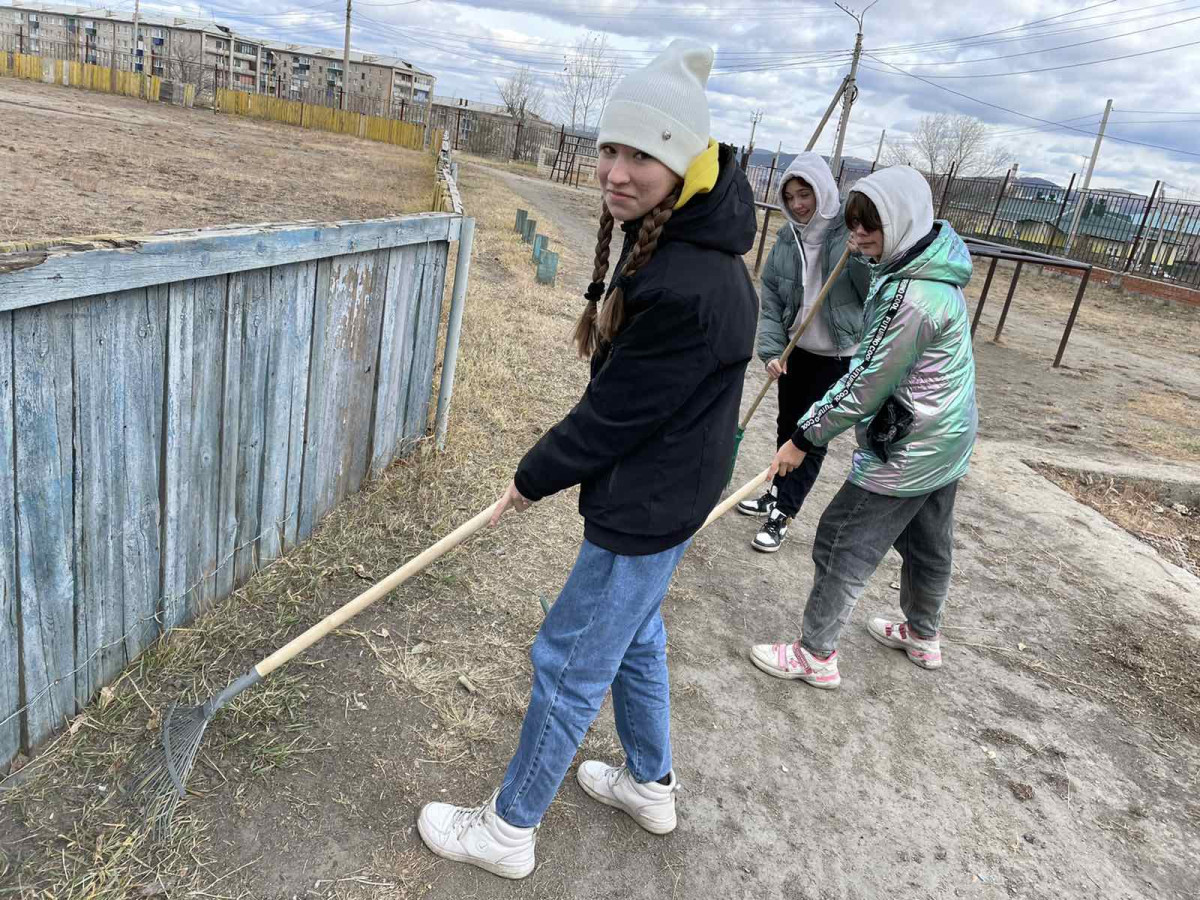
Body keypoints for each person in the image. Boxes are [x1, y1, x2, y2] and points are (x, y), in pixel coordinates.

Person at [417, 40, 758, 879]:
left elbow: (613, 415)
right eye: (610, 148)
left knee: (567, 662)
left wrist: (528, 480)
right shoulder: (679, 250)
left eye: (642, 154)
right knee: (635, 639)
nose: (616, 170)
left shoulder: (690, 283)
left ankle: (507, 829)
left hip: (647, 505)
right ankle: (651, 782)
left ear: (685, 161)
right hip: (663, 494)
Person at [748, 165, 977, 689]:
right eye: (852, 225)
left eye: (868, 227)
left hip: (911, 443)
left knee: (839, 539)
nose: (856, 237)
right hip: (948, 434)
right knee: (926, 542)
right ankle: (923, 635)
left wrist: (802, 438)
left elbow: (864, 384)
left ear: (899, 222)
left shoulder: (911, 296)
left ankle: (815, 654)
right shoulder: (928, 270)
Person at [737, 152, 867, 554]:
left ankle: (784, 514)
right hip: (796, 352)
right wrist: (773, 350)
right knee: (786, 428)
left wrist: (860, 256)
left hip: (836, 355)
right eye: (790, 196)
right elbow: (773, 296)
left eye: (804, 193)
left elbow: (871, 293)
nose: (797, 204)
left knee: (809, 437)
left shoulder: (848, 235)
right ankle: (776, 494)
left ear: (822, 190)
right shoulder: (786, 238)